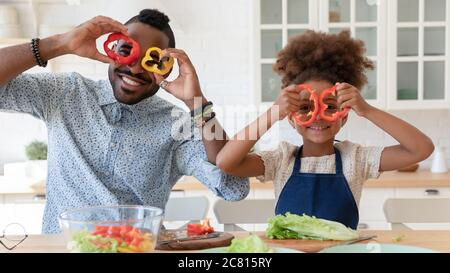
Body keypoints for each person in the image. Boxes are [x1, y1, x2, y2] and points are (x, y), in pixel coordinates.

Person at [0, 9, 249, 234]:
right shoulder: (66, 93)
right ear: (114, 49)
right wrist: (58, 44)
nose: (137, 69)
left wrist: (198, 103)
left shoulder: (176, 125)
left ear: (166, 67)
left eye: (151, 60)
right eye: (128, 51)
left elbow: (233, 187)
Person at [216, 30, 434, 229]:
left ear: (344, 115)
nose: (318, 114)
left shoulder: (356, 159)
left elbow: (421, 149)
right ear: (292, 119)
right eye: (305, 107)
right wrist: (272, 113)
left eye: (329, 106)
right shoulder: (281, 159)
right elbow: (226, 162)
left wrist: (366, 110)